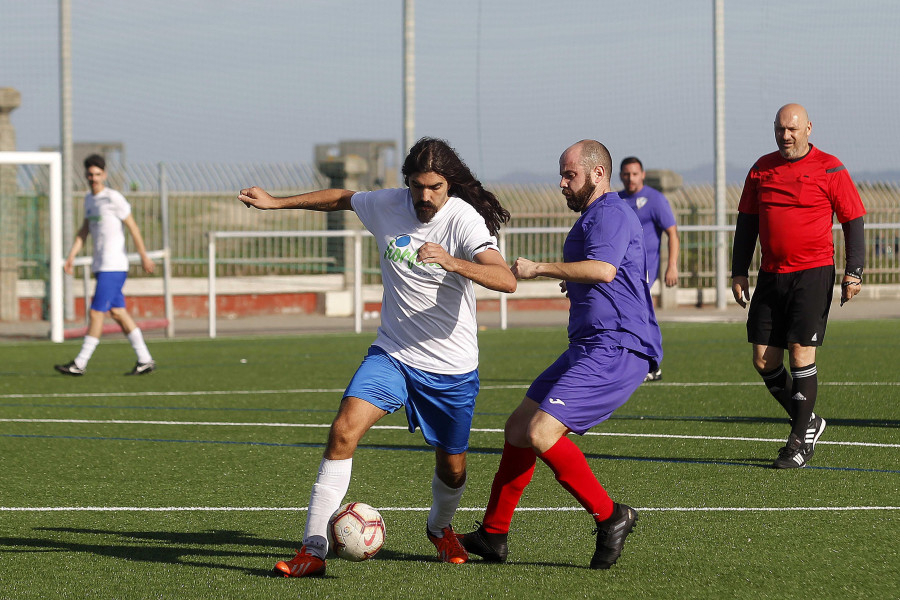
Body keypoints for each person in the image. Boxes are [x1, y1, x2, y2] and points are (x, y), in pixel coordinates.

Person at [238, 137, 517, 577]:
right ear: (407, 181)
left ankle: (439, 528)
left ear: (450, 184)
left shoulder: (463, 220)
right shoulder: (389, 203)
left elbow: (506, 279)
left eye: (435, 187)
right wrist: (277, 203)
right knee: (343, 431)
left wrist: (454, 262)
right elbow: (341, 198)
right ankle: (312, 550)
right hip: (393, 353)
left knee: (454, 468)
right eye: (417, 186)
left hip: (451, 368)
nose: (425, 196)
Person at [458, 140, 662, 570]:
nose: (562, 184)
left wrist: (540, 269)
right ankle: (493, 534)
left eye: (570, 175)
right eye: (562, 175)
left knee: (540, 433)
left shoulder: (609, 212)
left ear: (598, 174)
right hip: (587, 345)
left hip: (617, 345)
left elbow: (603, 269)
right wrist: (577, 281)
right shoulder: (595, 216)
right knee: (517, 428)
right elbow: (604, 272)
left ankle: (612, 517)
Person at [731, 103, 866, 469]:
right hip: (771, 275)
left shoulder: (831, 167)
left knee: (800, 353)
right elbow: (747, 222)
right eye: (779, 129)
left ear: (808, 128)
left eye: (792, 129)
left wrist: (854, 271)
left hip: (813, 272)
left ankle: (798, 443)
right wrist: (738, 271)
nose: (785, 136)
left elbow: (853, 219)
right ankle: (810, 422)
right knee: (764, 359)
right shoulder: (761, 168)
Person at [54, 154, 156, 376]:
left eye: (98, 174)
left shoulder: (114, 198)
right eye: (90, 174)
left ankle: (80, 363)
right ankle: (145, 359)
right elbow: (84, 230)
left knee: (96, 312)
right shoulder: (89, 200)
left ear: (105, 175)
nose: (94, 178)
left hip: (115, 266)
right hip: (101, 266)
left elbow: (133, 227)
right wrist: (71, 255)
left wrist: (144, 256)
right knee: (118, 312)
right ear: (86, 176)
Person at [618, 156, 679, 382]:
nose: (630, 178)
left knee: (641, 314)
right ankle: (635, 362)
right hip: (622, 271)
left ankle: (652, 364)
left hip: (645, 270)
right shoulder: (618, 200)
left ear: (642, 175)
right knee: (626, 315)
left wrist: (672, 266)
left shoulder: (655, 200)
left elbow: (672, 232)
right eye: (626, 174)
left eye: (634, 174)